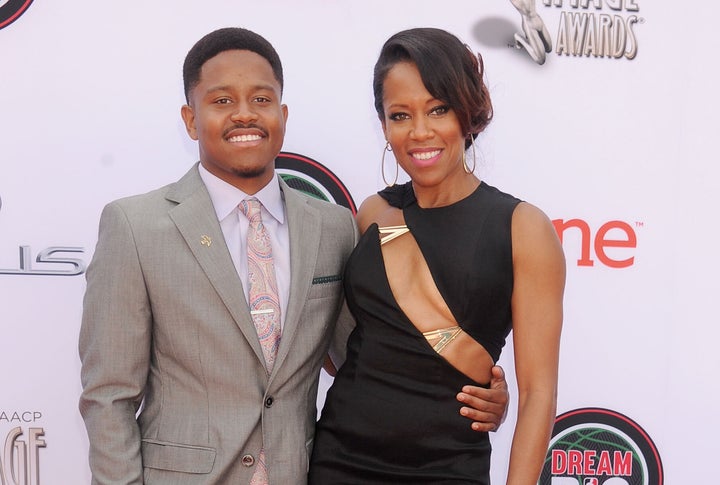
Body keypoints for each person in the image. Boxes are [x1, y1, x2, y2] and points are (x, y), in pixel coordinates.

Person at [78, 27, 509, 484]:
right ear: (190, 119)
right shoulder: (136, 227)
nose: (245, 115)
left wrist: (474, 392)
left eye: (261, 100)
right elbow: (109, 397)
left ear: (282, 114)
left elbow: (370, 354)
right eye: (222, 101)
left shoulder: (334, 226)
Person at [309, 27, 565, 484]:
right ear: (384, 125)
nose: (420, 131)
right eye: (400, 114)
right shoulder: (374, 213)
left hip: (449, 466)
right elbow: (342, 345)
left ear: (468, 112)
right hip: (340, 459)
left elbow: (540, 394)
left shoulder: (523, 228)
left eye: (438, 109)